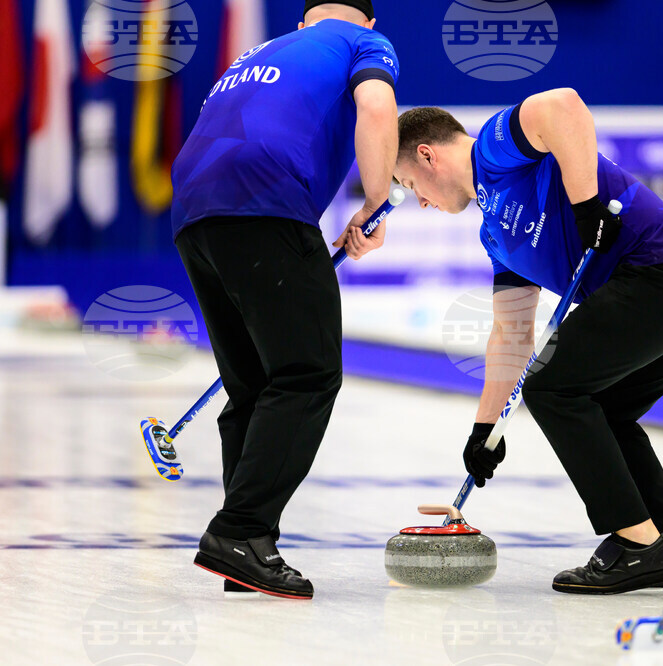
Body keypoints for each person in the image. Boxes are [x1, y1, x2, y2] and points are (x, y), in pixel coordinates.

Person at [394, 89, 663, 594]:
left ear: (428, 155)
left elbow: (563, 106)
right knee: (605, 409)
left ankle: (639, 546)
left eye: (409, 184)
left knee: (552, 388)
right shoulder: (494, 236)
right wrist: (484, 429)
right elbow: (511, 332)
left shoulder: (493, 152)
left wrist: (586, 205)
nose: (421, 201)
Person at [170, 0, 399, 599]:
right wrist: (376, 205)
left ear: (303, 22)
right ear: (369, 21)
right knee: (306, 373)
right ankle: (240, 532)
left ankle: (245, 551)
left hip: (192, 207)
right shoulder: (360, 42)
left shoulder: (262, 50)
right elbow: (377, 107)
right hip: (265, 198)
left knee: (252, 385)